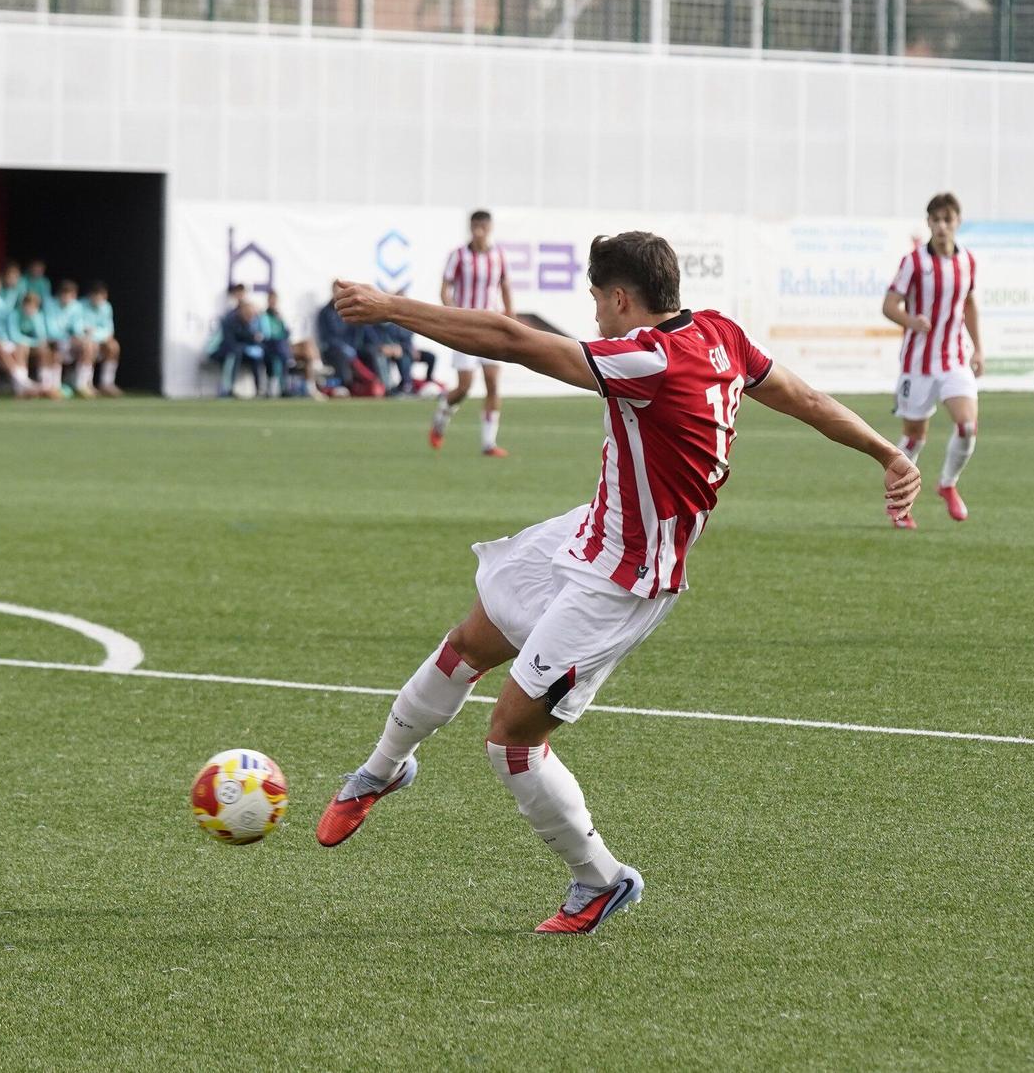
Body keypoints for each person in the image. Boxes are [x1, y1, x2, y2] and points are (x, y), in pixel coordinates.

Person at [318, 232, 919, 932]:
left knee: (511, 739)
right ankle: (384, 768)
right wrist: (886, 452)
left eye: (598, 302)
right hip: (590, 532)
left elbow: (513, 340)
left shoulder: (646, 358)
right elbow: (804, 397)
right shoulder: (719, 335)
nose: (595, 317)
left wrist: (392, 306)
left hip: (625, 580)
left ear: (623, 298)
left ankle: (600, 879)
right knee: (468, 644)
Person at [881, 193, 982, 528]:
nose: (942, 226)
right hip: (917, 364)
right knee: (914, 437)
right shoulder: (913, 262)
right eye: (936, 220)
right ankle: (900, 505)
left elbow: (968, 305)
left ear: (957, 222)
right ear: (928, 224)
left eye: (948, 219)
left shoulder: (967, 260)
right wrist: (911, 321)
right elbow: (890, 305)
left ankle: (948, 484)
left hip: (954, 359)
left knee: (967, 426)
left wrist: (978, 349)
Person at [430, 210, 514, 456]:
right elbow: (445, 288)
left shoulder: (498, 255)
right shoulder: (458, 256)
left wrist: (510, 316)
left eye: (483, 226)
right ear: (470, 227)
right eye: (475, 226)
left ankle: (489, 443)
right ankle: (442, 414)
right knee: (465, 386)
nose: (479, 231)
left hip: (491, 326)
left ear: (490, 227)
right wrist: (452, 314)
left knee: (493, 384)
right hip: (466, 327)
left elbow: (505, 285)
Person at [47, 279, 95, 398]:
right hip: (54, 341)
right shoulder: (50, 305)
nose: (67, 297)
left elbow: (77, 327)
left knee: (88, 346)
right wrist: (66, 338)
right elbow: (51, 330)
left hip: (70, 342)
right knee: (55, 351)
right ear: (59, 294)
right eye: (64, 294)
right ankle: (55, 387)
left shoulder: (77, 307)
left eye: (70, 294)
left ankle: (81, 385)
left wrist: (80, 337)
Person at [217, 297, 265, 396]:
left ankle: (259, 389)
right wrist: (247, 344)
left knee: (256, 358)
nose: (250, 318)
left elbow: (250, 338)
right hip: (222, 351)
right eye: (248, 315)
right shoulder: (229, 322)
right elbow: (229, 342)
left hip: (241, 351)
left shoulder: (247, 323)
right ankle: (227, 388)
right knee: (234, 355)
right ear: (242, 312)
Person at [82, 281, 122, 397]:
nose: (98, 299)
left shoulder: (107, 307)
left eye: (101, 296)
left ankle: (107, 383)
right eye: (95, 296)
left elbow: (109, 330)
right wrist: (92, 335)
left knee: (113, 346)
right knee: (89, 346)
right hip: (84, 342)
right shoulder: (81, 305)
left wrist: (95, 334)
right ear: (90, 295)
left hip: (98, 339)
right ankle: (85, 384)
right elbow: (81, 328)